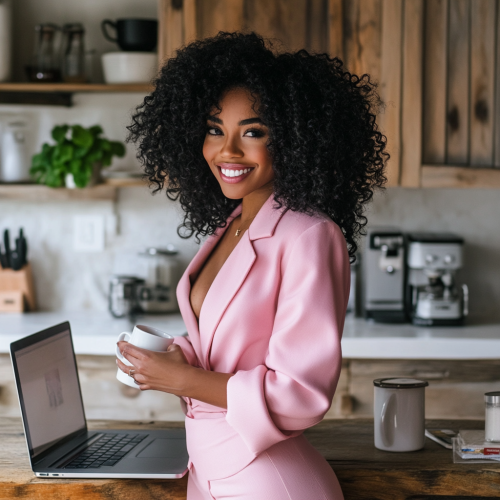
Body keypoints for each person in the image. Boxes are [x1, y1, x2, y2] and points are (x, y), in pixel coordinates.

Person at [121, 32, 387, 499]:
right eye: (214, 129)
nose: (228, 151)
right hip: (208, 469)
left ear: (296, 137)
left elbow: (299, 394)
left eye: (253, 132)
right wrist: (181, 355)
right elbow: (231, 340)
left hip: (267, 480)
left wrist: (182, 380)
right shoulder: (233, 224)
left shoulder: (308, 234)